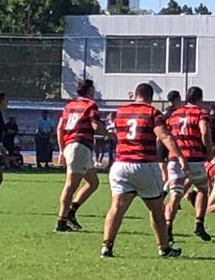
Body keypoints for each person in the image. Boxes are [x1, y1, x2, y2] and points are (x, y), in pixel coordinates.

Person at [100, 83, 184, 259]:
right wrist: (179, 156)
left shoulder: (120, 112)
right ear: (150, 97)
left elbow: (116, 132)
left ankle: (106, 246)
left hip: (120, 164)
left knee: (116, 207)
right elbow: (164, 135)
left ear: (135, 95)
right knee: (157, 208)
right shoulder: (152, 112)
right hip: (144, 163)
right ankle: (164, 248)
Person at [164, 86, 215, 242]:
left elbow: (166, 134)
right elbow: (204, 132)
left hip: (175, 158)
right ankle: (199, 223)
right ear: (200, 99)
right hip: (194, 157)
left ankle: (168, 226)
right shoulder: (200, 113)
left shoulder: (174, 114)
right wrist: (209, 149)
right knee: (202, 189)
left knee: (175, 194)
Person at [55, 80, 102, 232]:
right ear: (89, 90)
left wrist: (61, 150)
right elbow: (95, 125)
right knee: (70, 185)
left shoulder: (69, 105)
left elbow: (60, 128)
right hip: (80, 145)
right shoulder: (90, 105)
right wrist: (109, 133)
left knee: (93, 182)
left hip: (73, 145)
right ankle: (61, 221)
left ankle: (71, 211)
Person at [157, 90, 183, 183]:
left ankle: (164, 184)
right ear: (177, 99)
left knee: (163, 166)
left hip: (160, 140)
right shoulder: (175, 112)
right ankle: (167, 185)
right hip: (168, 140)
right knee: (171, 166)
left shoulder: (165, 111)